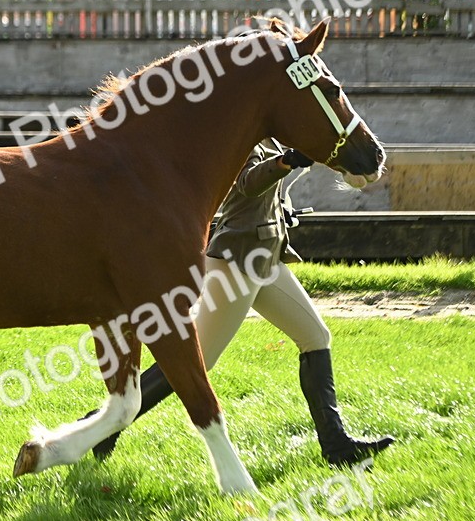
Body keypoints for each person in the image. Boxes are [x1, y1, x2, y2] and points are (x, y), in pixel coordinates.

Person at [91, 139, 394, 467]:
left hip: (266, 257)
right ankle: (100, 426)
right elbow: (248, 183)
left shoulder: (272, 137)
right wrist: (288, 161)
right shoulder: (239, 136)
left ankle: (337, 445)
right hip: (238, 261)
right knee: (199, 361)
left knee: (316, 337)